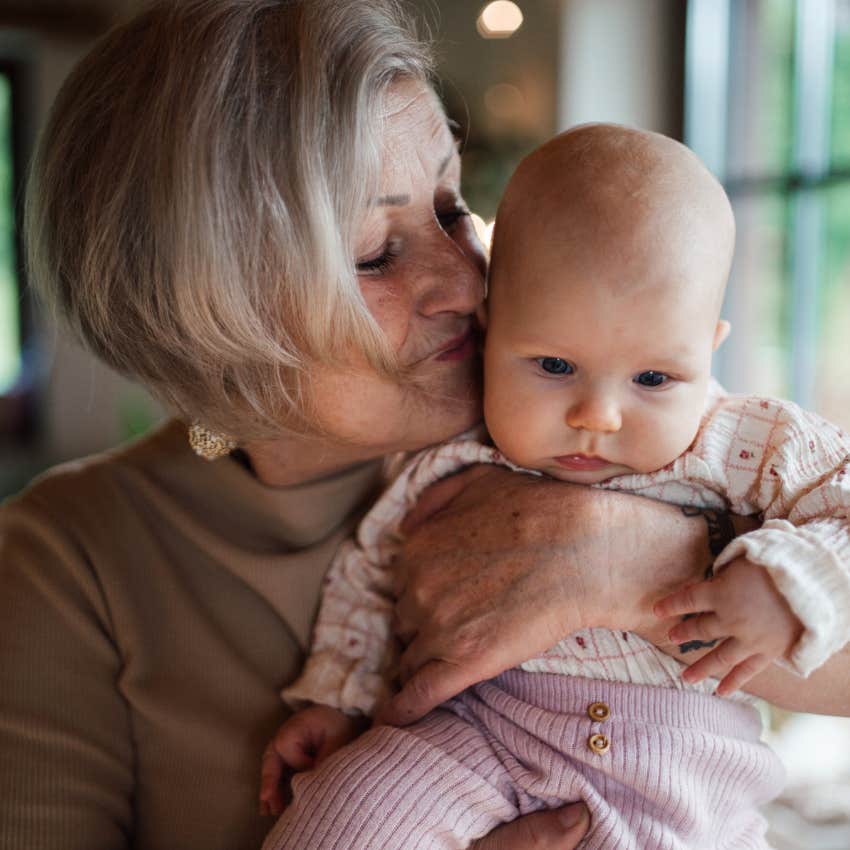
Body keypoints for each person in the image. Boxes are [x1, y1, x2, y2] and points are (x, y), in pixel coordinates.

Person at [2, 2, 848, 850]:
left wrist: (627, 564)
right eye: (375, 252)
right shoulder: (64, 564)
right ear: (210, 324)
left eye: (449, 207)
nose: (472, 280)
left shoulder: (610, 420)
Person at [258, 126, 850, 849]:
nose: (597, 415)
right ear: (489, 329)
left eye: (654, 378)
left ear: (708, 349)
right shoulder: (454, 448)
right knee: (336, 816)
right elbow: (375, 571)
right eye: (554, 366)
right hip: (471, 735)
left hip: (681, 774)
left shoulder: (749, 444)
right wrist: (340, 699)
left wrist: (791, 582)